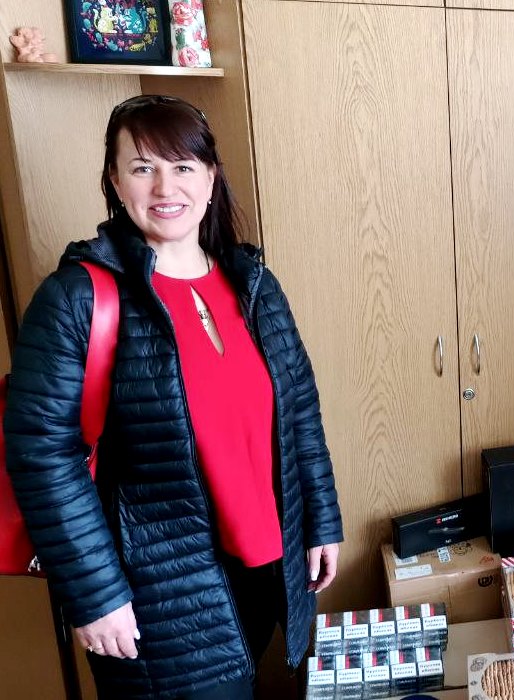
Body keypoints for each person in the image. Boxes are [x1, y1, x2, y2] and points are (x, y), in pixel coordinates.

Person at [5, 94, 344, 699]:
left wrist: (322, 520)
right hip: (155, 596)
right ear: (115, 181)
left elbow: (300, 416)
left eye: (183, 166)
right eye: (143, 167)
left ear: (210, 177)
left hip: (264, 570)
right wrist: (94, 593)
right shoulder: (76, 298)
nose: (165, 187)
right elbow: (41, 454)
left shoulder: (254, 285)